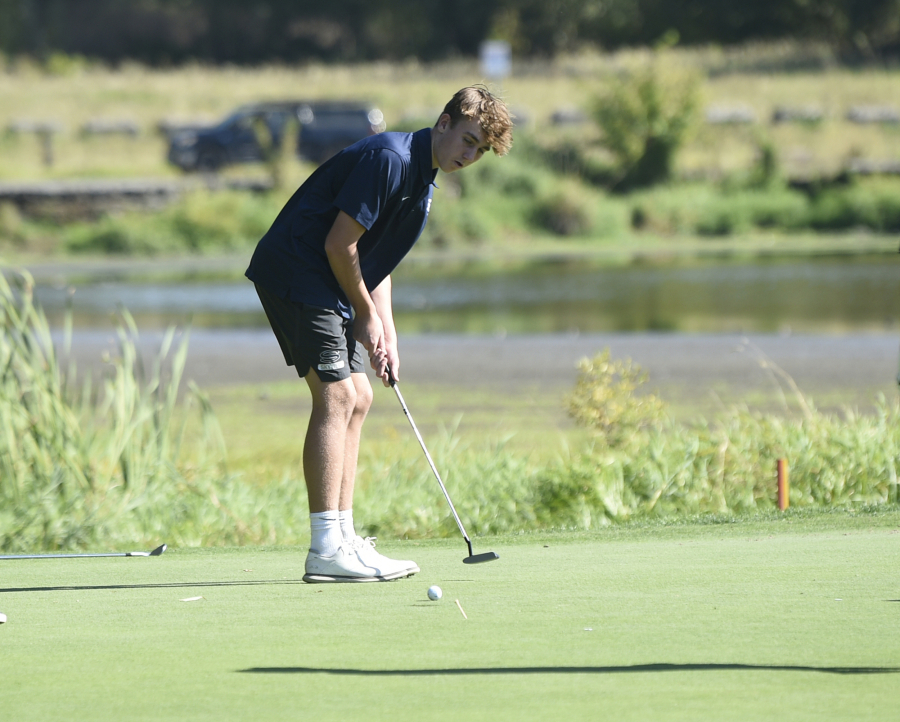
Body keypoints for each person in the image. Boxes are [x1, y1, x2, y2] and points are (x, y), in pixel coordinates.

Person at [246, 86, 513, 583]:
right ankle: (325, 547)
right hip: (298, 271)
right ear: (444, 123)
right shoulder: (390, 160)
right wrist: (364, 315)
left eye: (480, 151)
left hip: (328, 278)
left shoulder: (422, 180)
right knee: (337, 395)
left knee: (361, 395)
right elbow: (339, 243)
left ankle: (344, 539)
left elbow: (376, 258)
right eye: (468, 141)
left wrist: (385, 330)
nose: (469, 156)